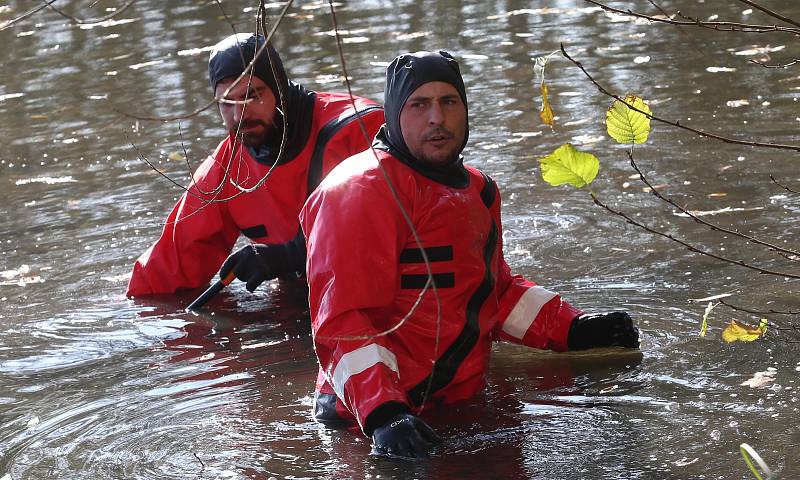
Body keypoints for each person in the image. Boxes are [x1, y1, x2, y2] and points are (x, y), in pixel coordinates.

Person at [299, 51, 640, 459]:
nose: (437, 119)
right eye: (419, 104)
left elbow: (492, 291)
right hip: (365, 423)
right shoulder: (357, 192)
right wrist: (382, 413)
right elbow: (340, 322)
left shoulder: (478, 190)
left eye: (449, 102)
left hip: (458, 406)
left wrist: (574, 329)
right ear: (392, 114)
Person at [126, 33, 384, 297]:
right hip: (303, 300)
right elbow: (171, 264)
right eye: (227, 102)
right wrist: (128, 316)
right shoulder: (228, 167)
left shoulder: (360, 129)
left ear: (279, 87)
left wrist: (289, 255)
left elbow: (387, 228)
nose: (240, 115)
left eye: (251, 95)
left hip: (381, 294)